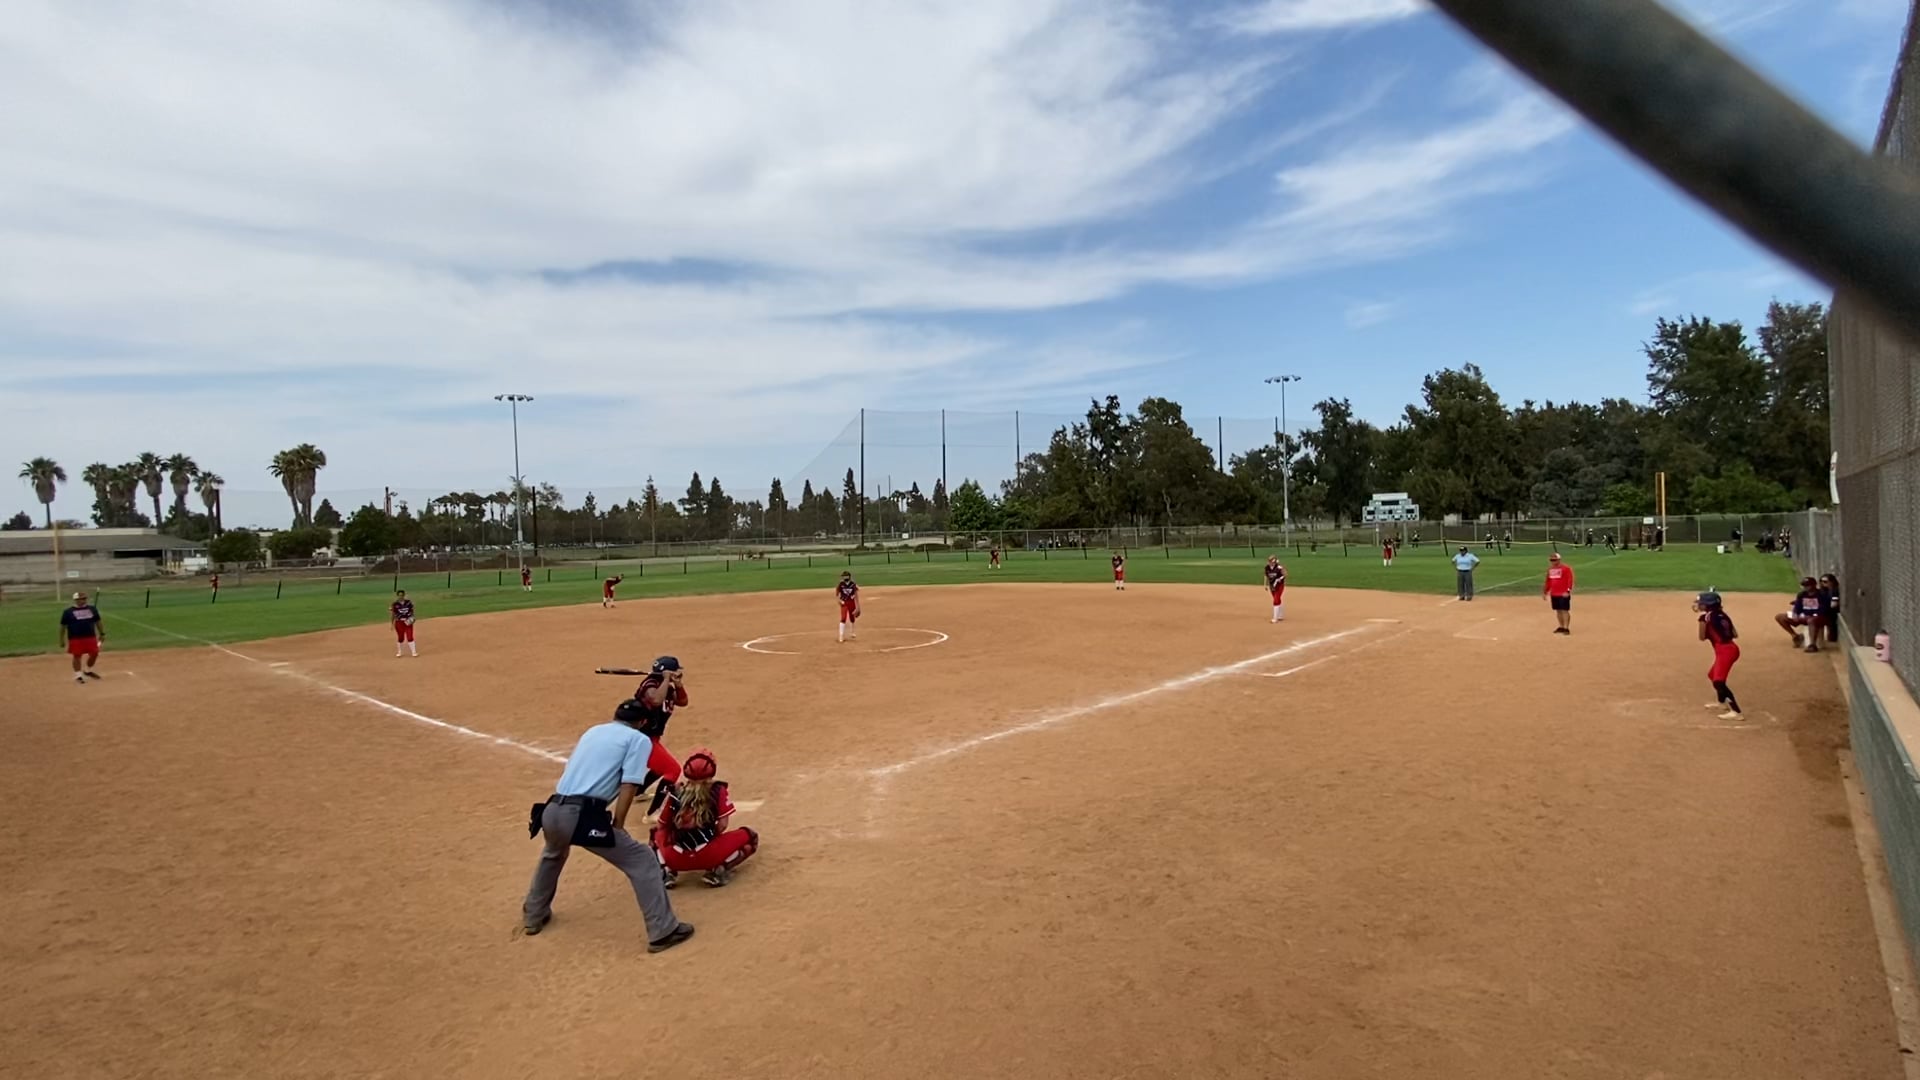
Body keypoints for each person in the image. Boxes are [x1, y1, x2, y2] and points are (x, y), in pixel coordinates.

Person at [521, 698, 694, 952]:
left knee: (553, 853)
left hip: (551, 811)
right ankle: (663, 931)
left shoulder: (594, 731)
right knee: (643, 860)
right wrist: (618, 824)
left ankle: (533, 915)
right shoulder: (638, 739)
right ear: (642, 722)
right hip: (580, 815)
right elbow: (629, 784)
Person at [654, 748, 759, 889]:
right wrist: (710, 838)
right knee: (750, 836)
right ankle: (719, 870)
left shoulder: (675, 791)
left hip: (675, 858)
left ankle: (666, 871)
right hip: (709, 855)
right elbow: (722, 825)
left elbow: (662, 824)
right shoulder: (717, 790)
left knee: (655, 834)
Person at [1695, 591, 1743, 720]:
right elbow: (1734, 634)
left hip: (1725, 651)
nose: (1699, 605)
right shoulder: (1723, 615)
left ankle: (1736, 712)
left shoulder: (1705, 618)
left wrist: (1703, 623)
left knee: (1718, 682)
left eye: (1701, 603)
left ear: (1708, 605)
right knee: (1712, 675)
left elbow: (1702, 637)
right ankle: (1722, 703)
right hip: (1730, 648)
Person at [60, 590, 104, 684]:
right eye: (82, 599)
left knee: (95, 653)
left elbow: (98, 621)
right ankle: (78, 675)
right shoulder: (68, 612)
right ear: (76, 600)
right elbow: (63, 626)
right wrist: (61, 639)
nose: (84, 600)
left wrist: (102, 633)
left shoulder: (92, 609)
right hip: (75, 638)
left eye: (85, 598)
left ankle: (88, 671)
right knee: (77, 656)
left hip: (90, 636)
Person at [1776, 577, 1826, 652]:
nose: (1805, 587)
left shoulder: (1821, 594)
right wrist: (1795, 614)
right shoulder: (1802, 594)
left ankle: (1812, 645)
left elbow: (1823, 609)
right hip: (1804, 616)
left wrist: (1811, 615)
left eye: (1808, 585)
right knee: (1780, 617)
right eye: (1804, 585)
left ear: (1814, 585)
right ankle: (1795, 636)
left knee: (1811, 620)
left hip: (1818, 617)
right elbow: (1797, 607)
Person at [1543, 552, 1574, 635]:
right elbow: (1548, 581)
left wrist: (1568, 591)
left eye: (1554, 560)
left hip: (1563, 593)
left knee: (1564, 610)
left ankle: (1566, 628)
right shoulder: (1550, 569)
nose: (1553, 562)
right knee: (1558, 610)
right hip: (1554, 593)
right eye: (1551, 560)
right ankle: (1561, 626)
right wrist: (1545, 591)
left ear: (1559, 560)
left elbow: (1570, 580)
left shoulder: (1566, 568)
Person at [390, 590, 418, 658]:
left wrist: (412, 618)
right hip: (399, 622)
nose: (401, 597)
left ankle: (414, 652)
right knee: (401, 638)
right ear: (397, 596)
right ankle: (399, 652)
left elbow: (412, 611)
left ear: (404, 595)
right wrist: (392, 623)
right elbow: (393, 614)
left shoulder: (408, 602)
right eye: (399, 595)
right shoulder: (395, 604)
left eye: (402, 595)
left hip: (408, 622)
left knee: (410, 637)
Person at [836, 571, 861, 641]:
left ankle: (852, 631)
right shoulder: (841, 584)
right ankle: (841, 635)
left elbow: (856, 593)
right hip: (844, 603)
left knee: (852, 617)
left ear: (849, 577)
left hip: (851, 602)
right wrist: (839, 601)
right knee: (843, 618)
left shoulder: (853, 584)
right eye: (844, 576)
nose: (845, 577)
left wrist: (858, 606)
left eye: (846, 576)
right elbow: (837, 594)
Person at [1821, 573, 1842, 643]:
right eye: (1821, 581)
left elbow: (1834, 605)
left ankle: (1831, 635)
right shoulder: (1825, 591)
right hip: (1828, 610)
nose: (1823, 583)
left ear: (1832, 581)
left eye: (1825, 582)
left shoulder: (1834, 591)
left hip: (1832, 612)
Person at [1264, 556, 1287, 622]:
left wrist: (1280, 578)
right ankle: (1280, 615)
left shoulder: (1279, 567)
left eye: (1271, 562)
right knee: (1276, 598)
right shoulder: (1267, 567)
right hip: (1272, 586)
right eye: (1269, 561)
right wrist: (1265, 584)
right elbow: (1266, 576)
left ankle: (1275, 618)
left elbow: (1285, 574)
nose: (1270, 563)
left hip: (1279, 586)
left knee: (1276, 600)